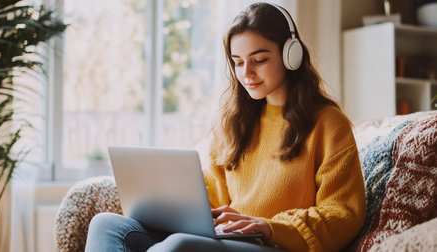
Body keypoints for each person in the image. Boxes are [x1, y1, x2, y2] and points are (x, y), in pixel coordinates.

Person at [84, 2, 366, 251]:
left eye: (259, 60)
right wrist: (166, 207)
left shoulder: (328, 124)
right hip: (228, 240)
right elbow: (212, 195)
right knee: (106, 225)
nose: (246, 73)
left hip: (274, 243)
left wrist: (269, 227)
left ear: (291, 55)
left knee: (178, 246)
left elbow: (343, 213)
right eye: (238, 62)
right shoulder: (235, 121)